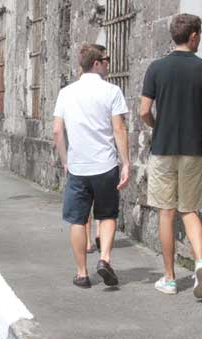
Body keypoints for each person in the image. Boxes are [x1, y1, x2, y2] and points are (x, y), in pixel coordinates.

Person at [140, 14, 202, 298]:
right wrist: (200, 125)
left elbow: (143, 111)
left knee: (166, 212)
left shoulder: (156, 69)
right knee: (189, 210)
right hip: (193, 149)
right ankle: (200, 261)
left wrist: (156, 125)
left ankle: (170, 278)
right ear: (194, 36)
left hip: (163, 148)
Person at [53, 43, 130, 289]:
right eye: (105, 60)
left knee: (77, 219)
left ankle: (82, 273)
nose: (108, 64)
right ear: (96, 63)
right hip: (105, 164)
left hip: (78, 166)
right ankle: (105, 258)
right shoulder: (112, 91)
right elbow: (119, 128)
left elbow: (57, 131)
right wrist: (126, 162)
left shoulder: (66, 93)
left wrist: (65, 161)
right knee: (107, 214)